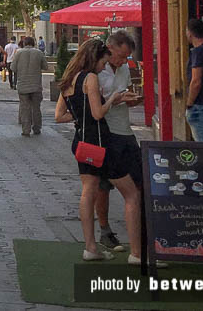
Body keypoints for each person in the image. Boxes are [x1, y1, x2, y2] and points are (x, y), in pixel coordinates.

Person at [54, 38, 141, 263]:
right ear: (96, 58)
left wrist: (81, 113)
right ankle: (137, 254)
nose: (104, 66)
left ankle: (91, 247)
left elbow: (59, 116)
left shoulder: (69, 79)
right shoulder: (90, 78)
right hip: (102, 142)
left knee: (88, 192)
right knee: (132, 194)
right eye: (103, 61)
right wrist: (113, 98)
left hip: (81, 142)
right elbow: (98, 113)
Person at [93, 30, 143, 252]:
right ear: (109, 48)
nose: (123, 61)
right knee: (103, 185)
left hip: (125, 131)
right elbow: (93, 103)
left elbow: (127, 90)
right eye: (120, 56)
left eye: (126, 57)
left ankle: (139, 229)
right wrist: (115, 100)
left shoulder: (123, 68)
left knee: (139, 181)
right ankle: (104, 230)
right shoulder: (96, 69)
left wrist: (131, 99)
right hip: (105, 133)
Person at [10, 36, 49, 136]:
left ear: (24, 43)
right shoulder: (39, 53)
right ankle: (37, 128)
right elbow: (45, 67)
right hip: (36, 85)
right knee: (36, 108)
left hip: (23, 85)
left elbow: (12, 68)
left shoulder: (18, 53)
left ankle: (26, 130)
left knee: (25, 108)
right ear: (33, 43)